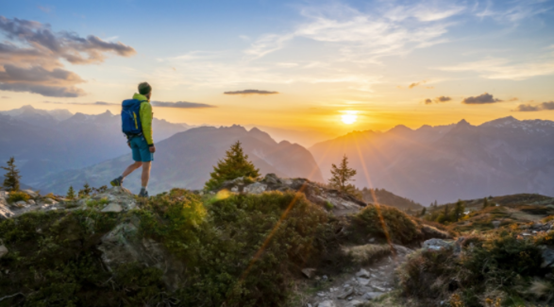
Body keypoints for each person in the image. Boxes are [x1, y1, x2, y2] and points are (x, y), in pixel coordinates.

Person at [110, 82, 156, 197]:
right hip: (142, 139)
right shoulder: (145, 105)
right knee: (146, 166)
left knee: (138, 162)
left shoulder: (131, 104)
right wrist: (150, 143)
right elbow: (146, 126)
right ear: (149, 93)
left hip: (132, 138)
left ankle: (120, 178)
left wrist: (129, 139)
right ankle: (143, 191)